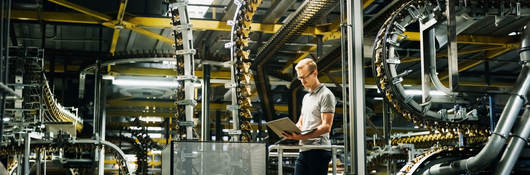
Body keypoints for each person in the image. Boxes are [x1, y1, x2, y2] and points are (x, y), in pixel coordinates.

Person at [283, 58, 337, 175]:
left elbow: (326, 126)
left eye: (304, 77)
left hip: (319, 150)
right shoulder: (306, 97)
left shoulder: (326, 95)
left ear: (315, 73)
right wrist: (289, 131)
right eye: (299, 78)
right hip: (304, 149)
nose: (302, 81)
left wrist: (302, 137)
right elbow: (301, 123)